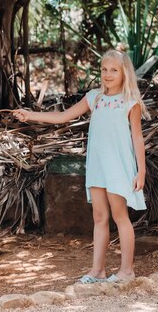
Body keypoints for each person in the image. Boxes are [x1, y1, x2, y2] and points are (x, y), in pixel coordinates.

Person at [12, 45, 149, 284]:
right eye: (104, 69)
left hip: (118, 166)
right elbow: (62, 116)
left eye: (114, 70)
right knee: (99, 216)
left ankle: (127, 271)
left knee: (120, 215)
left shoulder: (130, 102)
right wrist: (30, 115)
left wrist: (141, 171)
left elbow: (137, 137)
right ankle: (98, 270)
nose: (107, 74)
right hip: (97, 165)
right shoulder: (94, 97)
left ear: (124, 73)